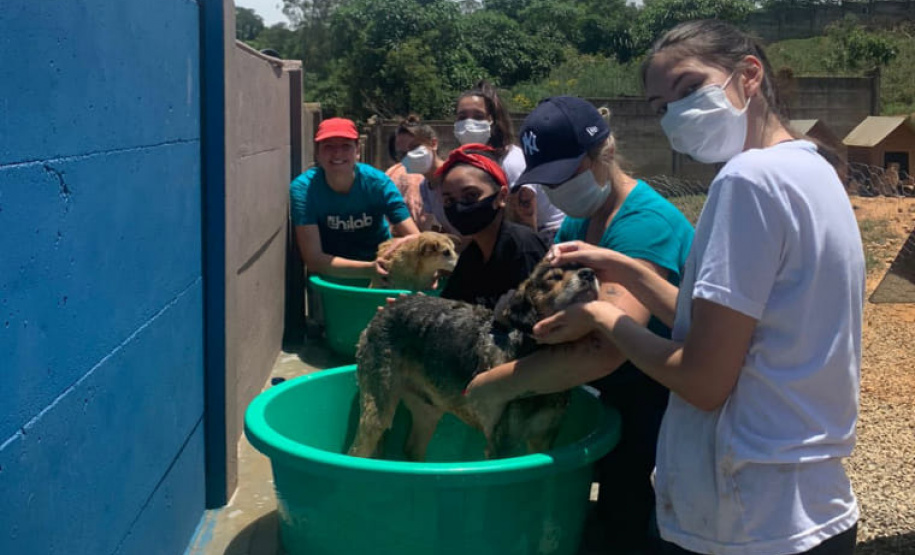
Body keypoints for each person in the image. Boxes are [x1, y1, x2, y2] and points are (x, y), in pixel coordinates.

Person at [476, 20, 865, 555]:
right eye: (662, 106)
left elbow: (704, 381)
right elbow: (725, 327)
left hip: (748, 512)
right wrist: (627, 268)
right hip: (809, 500)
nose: (676, 114)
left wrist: (603, 317)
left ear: (748, 74)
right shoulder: (813, 169)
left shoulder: (745, 181)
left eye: (687, 89)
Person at [465, 96, 695, 554]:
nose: (556, 190)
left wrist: (492, 385)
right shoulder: (579, 220)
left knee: (637, 525)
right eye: (545, 180)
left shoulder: (643, 225)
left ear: (602, 156)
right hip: (614, 397)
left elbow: (604, 350)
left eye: (563, 176)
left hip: (662, 406)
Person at [290, 117, 419, 280]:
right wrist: (368, 269)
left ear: (357, 150)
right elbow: (314, 260)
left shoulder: (378, 183)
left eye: (346, 146)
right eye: (328, 146)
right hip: (332, 273)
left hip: (381, 268)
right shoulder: (304, 189)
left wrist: (408, 249)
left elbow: (415, 237)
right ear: (317, 152)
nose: (337, 153)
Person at [436, 144, 548, 309]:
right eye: (449, 201)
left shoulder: (523, 248)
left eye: (471, 195)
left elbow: (535, 321)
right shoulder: (472, 256)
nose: (459, 207)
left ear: (502, 196)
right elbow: (449, 309)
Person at [454, 80, 566, 242]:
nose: (469, 123)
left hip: (548, 235)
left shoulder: (511, 162)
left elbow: (526, 230)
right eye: (462, 117)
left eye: (478, 116)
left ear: (492, 121)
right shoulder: (472, 163)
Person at [390, 115, 463, 237]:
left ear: (433, 144)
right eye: (402, 153)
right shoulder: (425, 186)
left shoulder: (455, 178)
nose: (409, 155)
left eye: (414, 147)